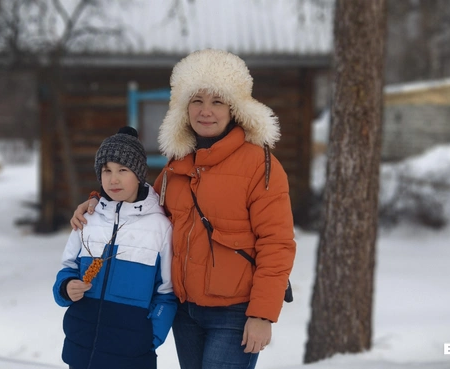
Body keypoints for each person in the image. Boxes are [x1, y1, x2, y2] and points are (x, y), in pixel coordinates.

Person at [70, 49, 296, 369]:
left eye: (217, 101)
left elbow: (277, 244)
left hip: (234, 312)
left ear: (234, 108)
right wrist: (97, 200)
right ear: (184, 107)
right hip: (185, 311)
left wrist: (262, 314)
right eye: (196, 101)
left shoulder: (260, 166)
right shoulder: (178, 164)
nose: (206, 111)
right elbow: (141, 201)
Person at [53, 126, 176, 369]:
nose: (113, 179)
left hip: (132, 356)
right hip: (81, 350)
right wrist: (66, 287)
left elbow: (166, 293)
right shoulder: (87, 218)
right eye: (106, 170)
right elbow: (66, 268)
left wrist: (150, 338)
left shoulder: (160, 227)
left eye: (123, 170)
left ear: (139, 174)